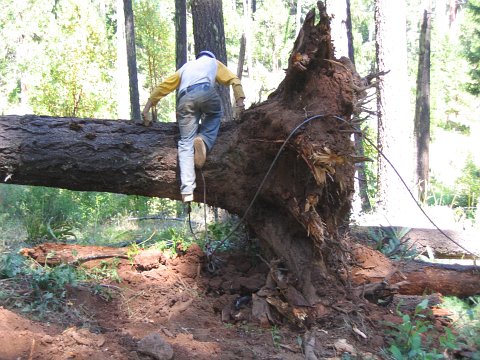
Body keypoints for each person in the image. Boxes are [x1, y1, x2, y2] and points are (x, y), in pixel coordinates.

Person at [141, 50, 245, 203]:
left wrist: (146, 109)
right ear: (211, 56)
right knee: (214, 115)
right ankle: (203, 140)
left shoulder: (186, 67)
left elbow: (164, 87)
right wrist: (240, 102)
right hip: (206, 92)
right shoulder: (213, 62)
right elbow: (234, 80)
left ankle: (187, 191)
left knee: (185, 142)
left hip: (185, 98)